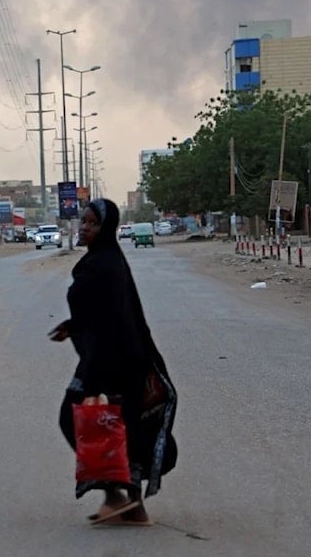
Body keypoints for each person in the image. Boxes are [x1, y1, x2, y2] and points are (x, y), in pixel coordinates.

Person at [48, 198, 178, 527]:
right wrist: (73, 327)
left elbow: (110, 319)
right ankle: (130, 503)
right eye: (83, 221)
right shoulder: (104, 261)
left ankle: (117, 496)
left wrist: (94, 376)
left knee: (76, 420)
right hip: (119, 359)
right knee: (121, 427)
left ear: (105, 228)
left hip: (110, 362)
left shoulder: (103, 265)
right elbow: (98, 311)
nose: (84, 227)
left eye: (91, 223)